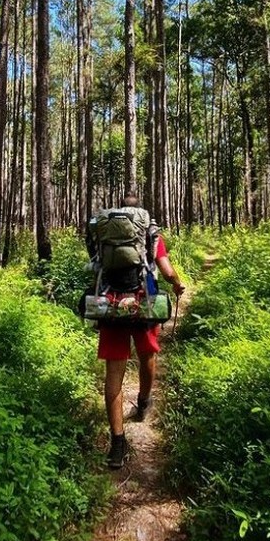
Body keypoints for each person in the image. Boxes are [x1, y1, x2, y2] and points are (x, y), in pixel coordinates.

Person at [96, 195, 186, 469]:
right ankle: (144, 401)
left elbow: (96, 265)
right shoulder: (149, 230)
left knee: (114, 372)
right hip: (143, 300)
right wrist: (177, 283)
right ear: (140, 212)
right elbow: (165, 267)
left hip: (111, 304)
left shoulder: (104, 229)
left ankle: (117, 443)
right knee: (148, 352)